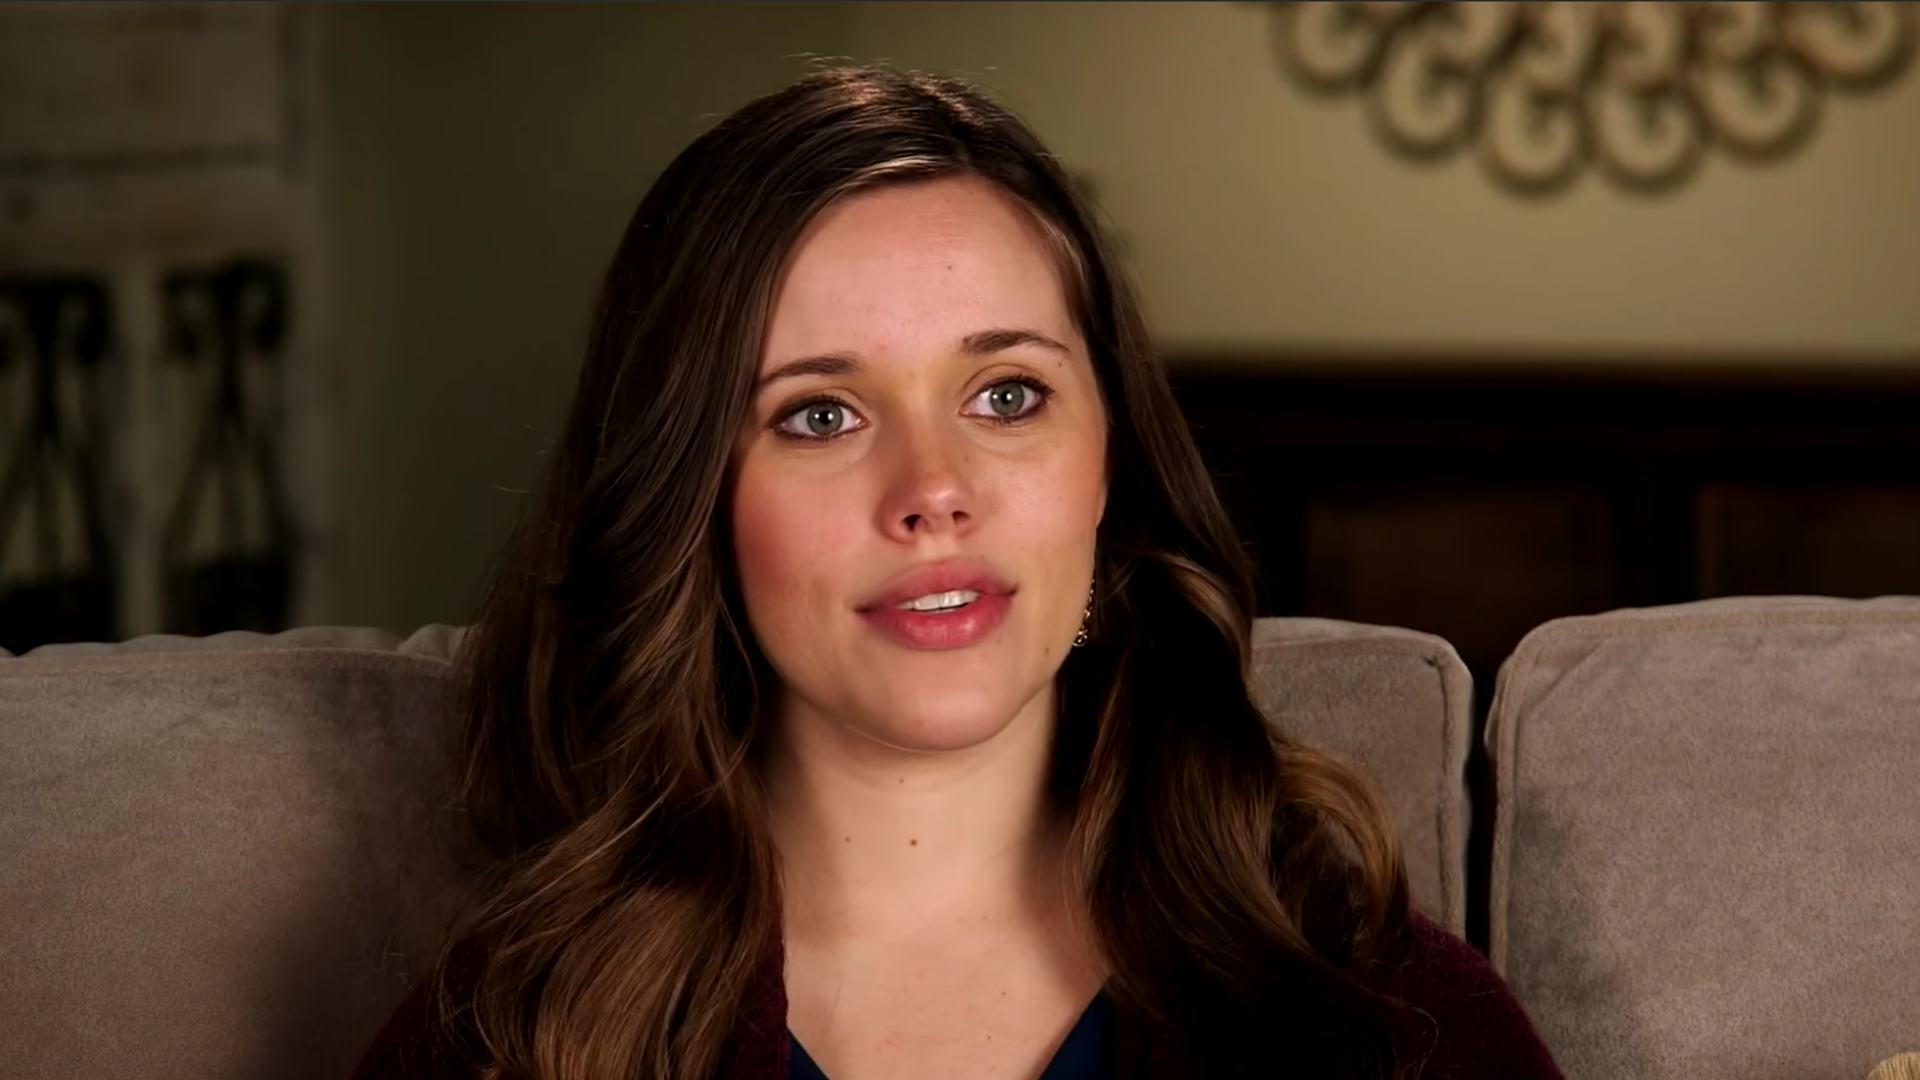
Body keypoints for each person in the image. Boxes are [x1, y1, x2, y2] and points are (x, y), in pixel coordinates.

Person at [352, 66, 1562, 1080]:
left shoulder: (1388, 1020)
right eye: (820, 415)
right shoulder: (512, 1039)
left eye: (1007, 395)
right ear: (692, 504)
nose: (934, 488)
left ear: (1110, 462)